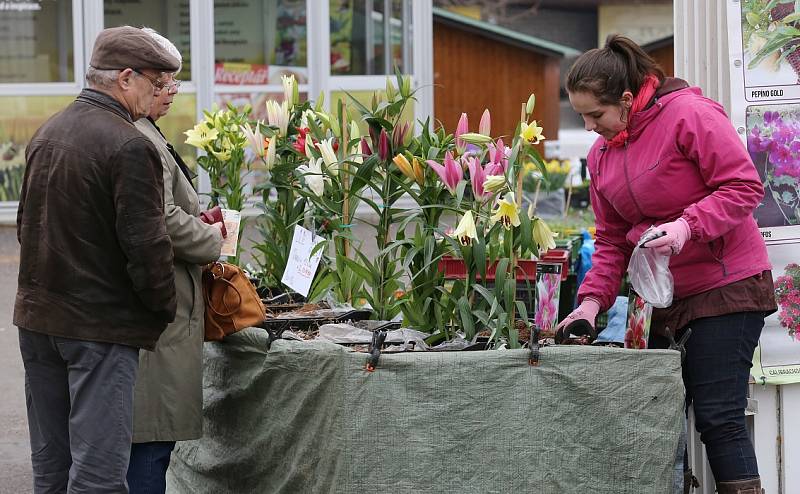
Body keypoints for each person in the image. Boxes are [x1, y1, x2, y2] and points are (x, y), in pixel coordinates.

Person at [557, 35, 776, 494]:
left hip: (725, 285)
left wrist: (686, 227)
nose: (589, 126)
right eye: (581, 115)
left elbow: (743, 186)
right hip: (658, 297)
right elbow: (611, 239)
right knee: (653, 413)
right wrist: (591, 304)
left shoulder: (689, 115)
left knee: (719, 417)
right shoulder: (601, 155)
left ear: (625, 98)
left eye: (595, 115)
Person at [14, 26, 179, 492]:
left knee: (52, 466)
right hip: (98, 328)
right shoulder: (129, 145)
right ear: (125, 78)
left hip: (39, 321)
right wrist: (161, 309)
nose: (160, 91)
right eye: (155, 80)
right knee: (99, 474)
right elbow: (147, 248)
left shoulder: (50, 130)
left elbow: (27, 225)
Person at [126, 28, 225, 494]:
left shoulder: (142, 131)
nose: (170, 95)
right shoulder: (139, 137)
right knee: (150, 442)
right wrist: (210, 238)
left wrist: (196, 218)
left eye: (173, 85)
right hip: (162, 306)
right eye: (163, 84)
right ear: (135, 82)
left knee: (150, 438)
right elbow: (161, 217)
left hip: (160, 306)